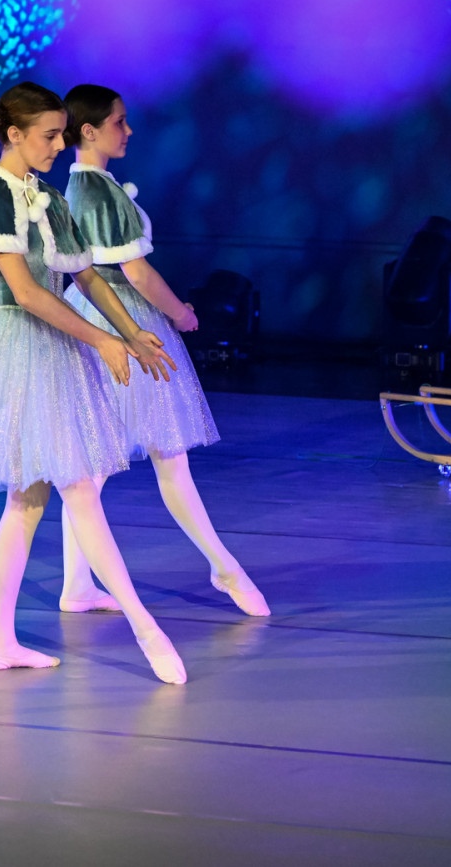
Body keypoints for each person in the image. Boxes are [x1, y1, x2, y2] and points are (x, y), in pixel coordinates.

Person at [0, 82, 188, 684]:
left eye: (61, 135)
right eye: (50, 135)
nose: (60, 146)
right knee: (71, 490)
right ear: (14, 135)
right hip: (15, 344)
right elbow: (28, 293)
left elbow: (87, 277)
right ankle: (145, 628)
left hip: (51, 347)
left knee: (31, 501)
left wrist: (132, 333)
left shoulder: (48, 197)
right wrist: (103, 341)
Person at [58, 83, 268, 616]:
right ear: (90, 131)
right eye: (119, 122)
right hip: (122, 320)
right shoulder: (97, 192)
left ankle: (78, 584)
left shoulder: (81, 186)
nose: (128, 131)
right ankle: (223, 566)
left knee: (91, 465)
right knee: (164, 456)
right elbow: (136, 272)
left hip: (96, 316)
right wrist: (180, 313)